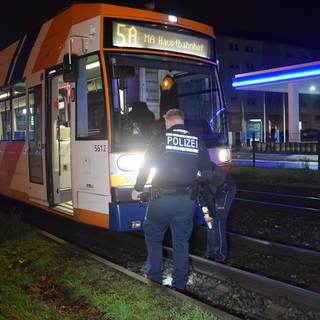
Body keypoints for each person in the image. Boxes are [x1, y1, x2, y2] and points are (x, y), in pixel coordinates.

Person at [131, 108, 212, 290]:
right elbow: (207, 172)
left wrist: (137, 189)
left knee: (154, 238)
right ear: (182, 121)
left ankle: (154, 280)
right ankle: (180, 285)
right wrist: (193, 181)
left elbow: (146, 166)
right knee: (182, 242)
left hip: (161, 199)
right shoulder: (197, 141)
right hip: (186, 201)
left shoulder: (160, 138)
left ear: (168, 122)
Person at [199, 162, 237, 262]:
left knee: (218, 222)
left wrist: (208, 213)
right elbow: (201, 194)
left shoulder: (201, 169)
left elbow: (207, 194)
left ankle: (220, 256)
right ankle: (210, 253)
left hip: (225, 189)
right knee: (210, 224)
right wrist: (206, 212)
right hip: (212, 192)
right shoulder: (190, 170)